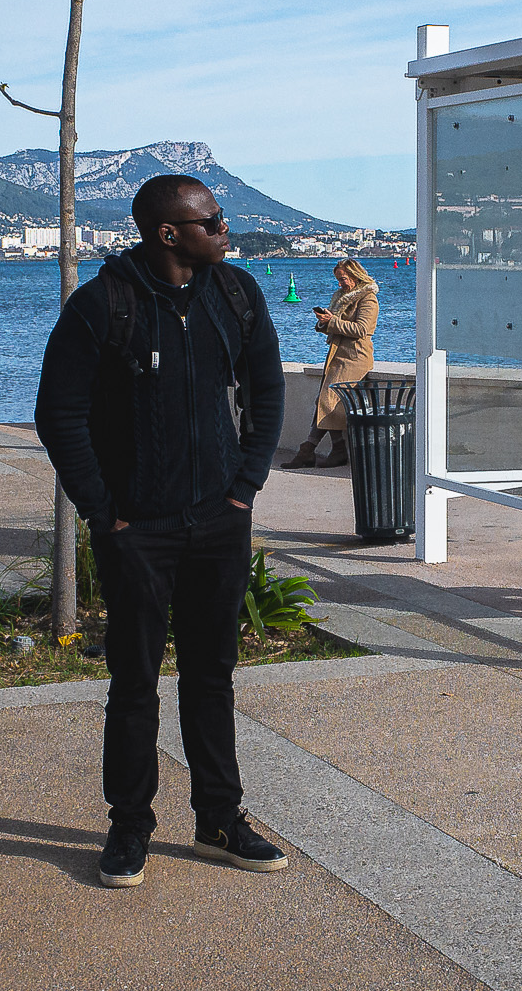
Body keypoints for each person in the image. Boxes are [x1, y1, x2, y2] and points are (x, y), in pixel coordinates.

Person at [34, 174, 289, 886]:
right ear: (168, 233)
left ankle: (219, 819)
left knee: (212, 675)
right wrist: (102, 509)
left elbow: (267, 390)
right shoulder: (103, 305)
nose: (225, 228)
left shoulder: (236, 296)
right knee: (135, 681)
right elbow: (58, 413)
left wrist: (245, 489)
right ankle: (129, 827)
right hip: (136, 529)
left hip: (218, 523)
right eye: (211, 220)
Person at [282, 258, 379, 469]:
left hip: (354, 357)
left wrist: (332, 322)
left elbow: (362, 330)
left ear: (355, 276)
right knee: (325, 401)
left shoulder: (368, 299)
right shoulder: (342, 297)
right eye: (338, 279)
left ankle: (312, 449)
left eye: (343, 279)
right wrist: (324, 322)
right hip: (338, 355)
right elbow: (340, 326)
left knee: (327, 400)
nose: (340, 284)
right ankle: (329, 449)